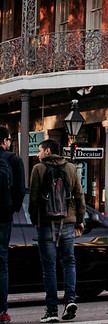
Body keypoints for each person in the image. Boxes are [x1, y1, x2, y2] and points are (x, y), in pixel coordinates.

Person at [29, 139, 85, 323]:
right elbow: (79, 195)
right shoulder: (71, 168)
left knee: (49, 267)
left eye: (39, 150)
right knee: (69, 262)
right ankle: (70, 299)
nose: (38, 154)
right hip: (67, 222)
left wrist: (35, 220)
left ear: (47, 150)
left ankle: (52, 309)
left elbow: (34, 199)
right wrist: (79, 220)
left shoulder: (38, 169)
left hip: (46, 223)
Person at [0, 127, 24, 324]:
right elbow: (20, 192)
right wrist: (11, 210)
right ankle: (2, 311)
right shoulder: (14, 160)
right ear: (4, 141)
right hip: (3, 218)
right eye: (9, 139)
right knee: (1, 264)